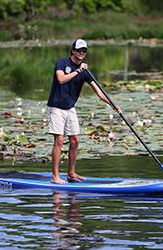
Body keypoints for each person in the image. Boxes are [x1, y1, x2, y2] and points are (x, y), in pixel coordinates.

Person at [47, 39, 120, 184]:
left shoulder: (86, 72)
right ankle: (55, 176)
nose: (81, 53)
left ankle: (71, 173)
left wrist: (113, 105)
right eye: (79, 50)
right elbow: (61, 79)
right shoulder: (62, 63)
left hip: (70, 108)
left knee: (75, 140)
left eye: (84, 51)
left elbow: (99, 92)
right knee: (59, 140)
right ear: (72, 50)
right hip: (56, 107)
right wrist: (78, 71)